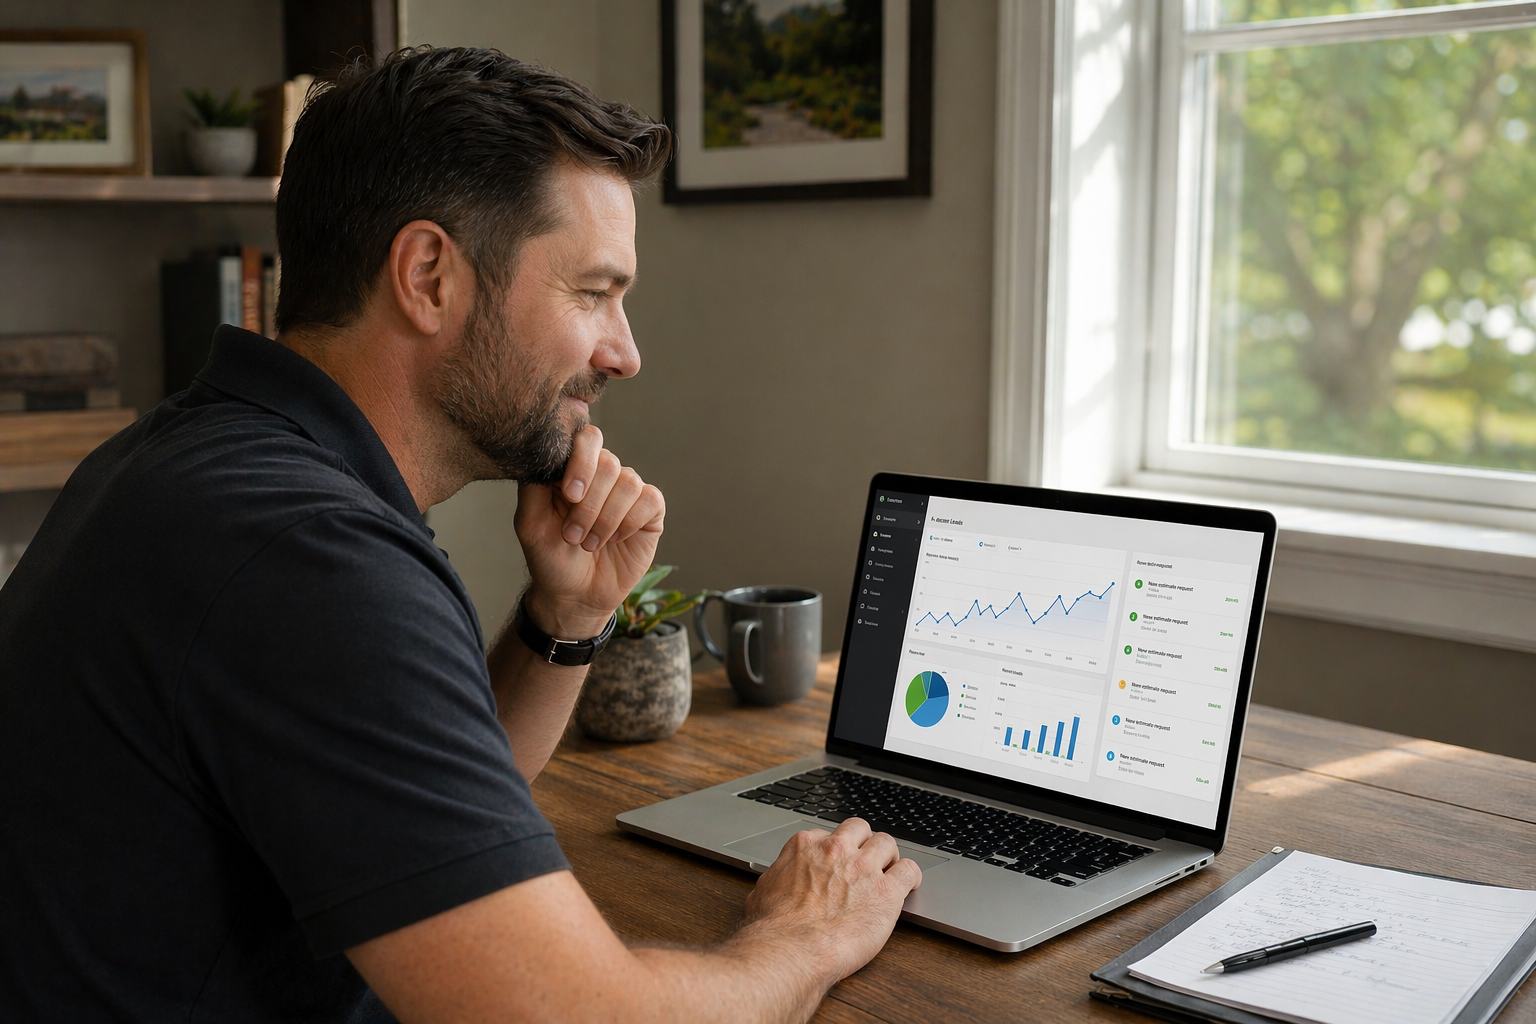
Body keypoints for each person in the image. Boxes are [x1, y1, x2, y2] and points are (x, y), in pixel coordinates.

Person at [0, 47, 921, 1024]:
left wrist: (565, 618)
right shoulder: (312, 557)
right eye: (593, 292)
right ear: (429, 275)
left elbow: (424, 817)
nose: (626, 351)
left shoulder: (194, 458)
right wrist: (807, 934)